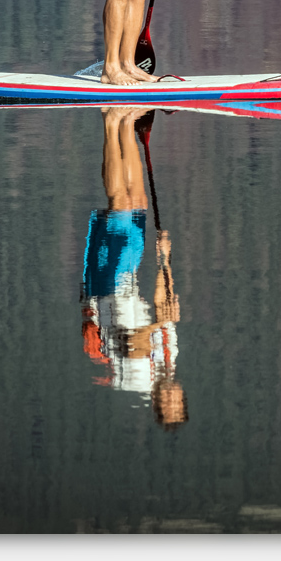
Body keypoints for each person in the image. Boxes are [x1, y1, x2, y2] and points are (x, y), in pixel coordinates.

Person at [79, 106, 187, 430]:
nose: (171, 398)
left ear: (156, 404)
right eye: (177, 402)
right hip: (128, 281)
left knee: (121, 206)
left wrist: (162, 322)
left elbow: (134, 342)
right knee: (138, 204)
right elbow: (162, 304)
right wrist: (164, 258)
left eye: (167, 406)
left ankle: (110, 121)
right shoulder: (169, 358)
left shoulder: (139, 381)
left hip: (106, 291)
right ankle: (127, 120)